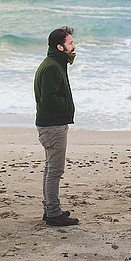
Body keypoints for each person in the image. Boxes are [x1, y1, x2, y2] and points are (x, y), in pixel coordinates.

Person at [34, 26, 79, 226]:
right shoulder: (52, 66)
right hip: (53, 126)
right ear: (60, 47)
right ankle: (53, 213)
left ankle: (50, 209)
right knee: (55, 171)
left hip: (51, 125)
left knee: (51, 168)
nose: (74, 45)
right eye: (70, 43)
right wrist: (68, 105)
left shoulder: (56, 62)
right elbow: (48, 100)